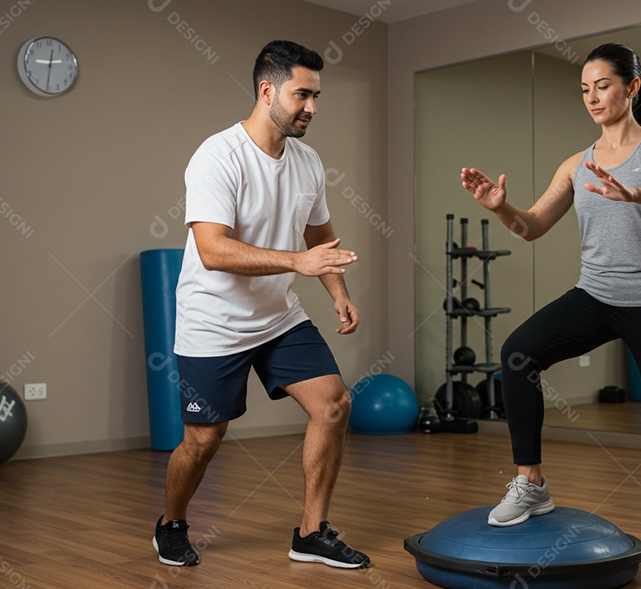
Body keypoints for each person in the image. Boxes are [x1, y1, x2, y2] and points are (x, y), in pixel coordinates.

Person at [461, 43, 641, 570]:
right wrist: (501, 206)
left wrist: (638, 195)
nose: (593, 97)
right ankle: (531, 482)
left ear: (632, 88)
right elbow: (531, 227)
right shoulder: (577, 164)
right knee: (518, 353)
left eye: (602, 85)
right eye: (584, 89)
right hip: (596, 296)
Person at [153, 40, 369, 570]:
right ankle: (172, 524)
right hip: (214, 322)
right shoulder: (217, 156)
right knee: (203, 440)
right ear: (266, 89)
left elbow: (320, 233)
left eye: (317, 96)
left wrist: (337, 290)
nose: (312, 108)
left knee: (334, 404)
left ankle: (311, 533)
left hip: (277, 317)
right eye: (302, 94)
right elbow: (213, 249)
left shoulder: (307, 161)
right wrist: (298, 263)